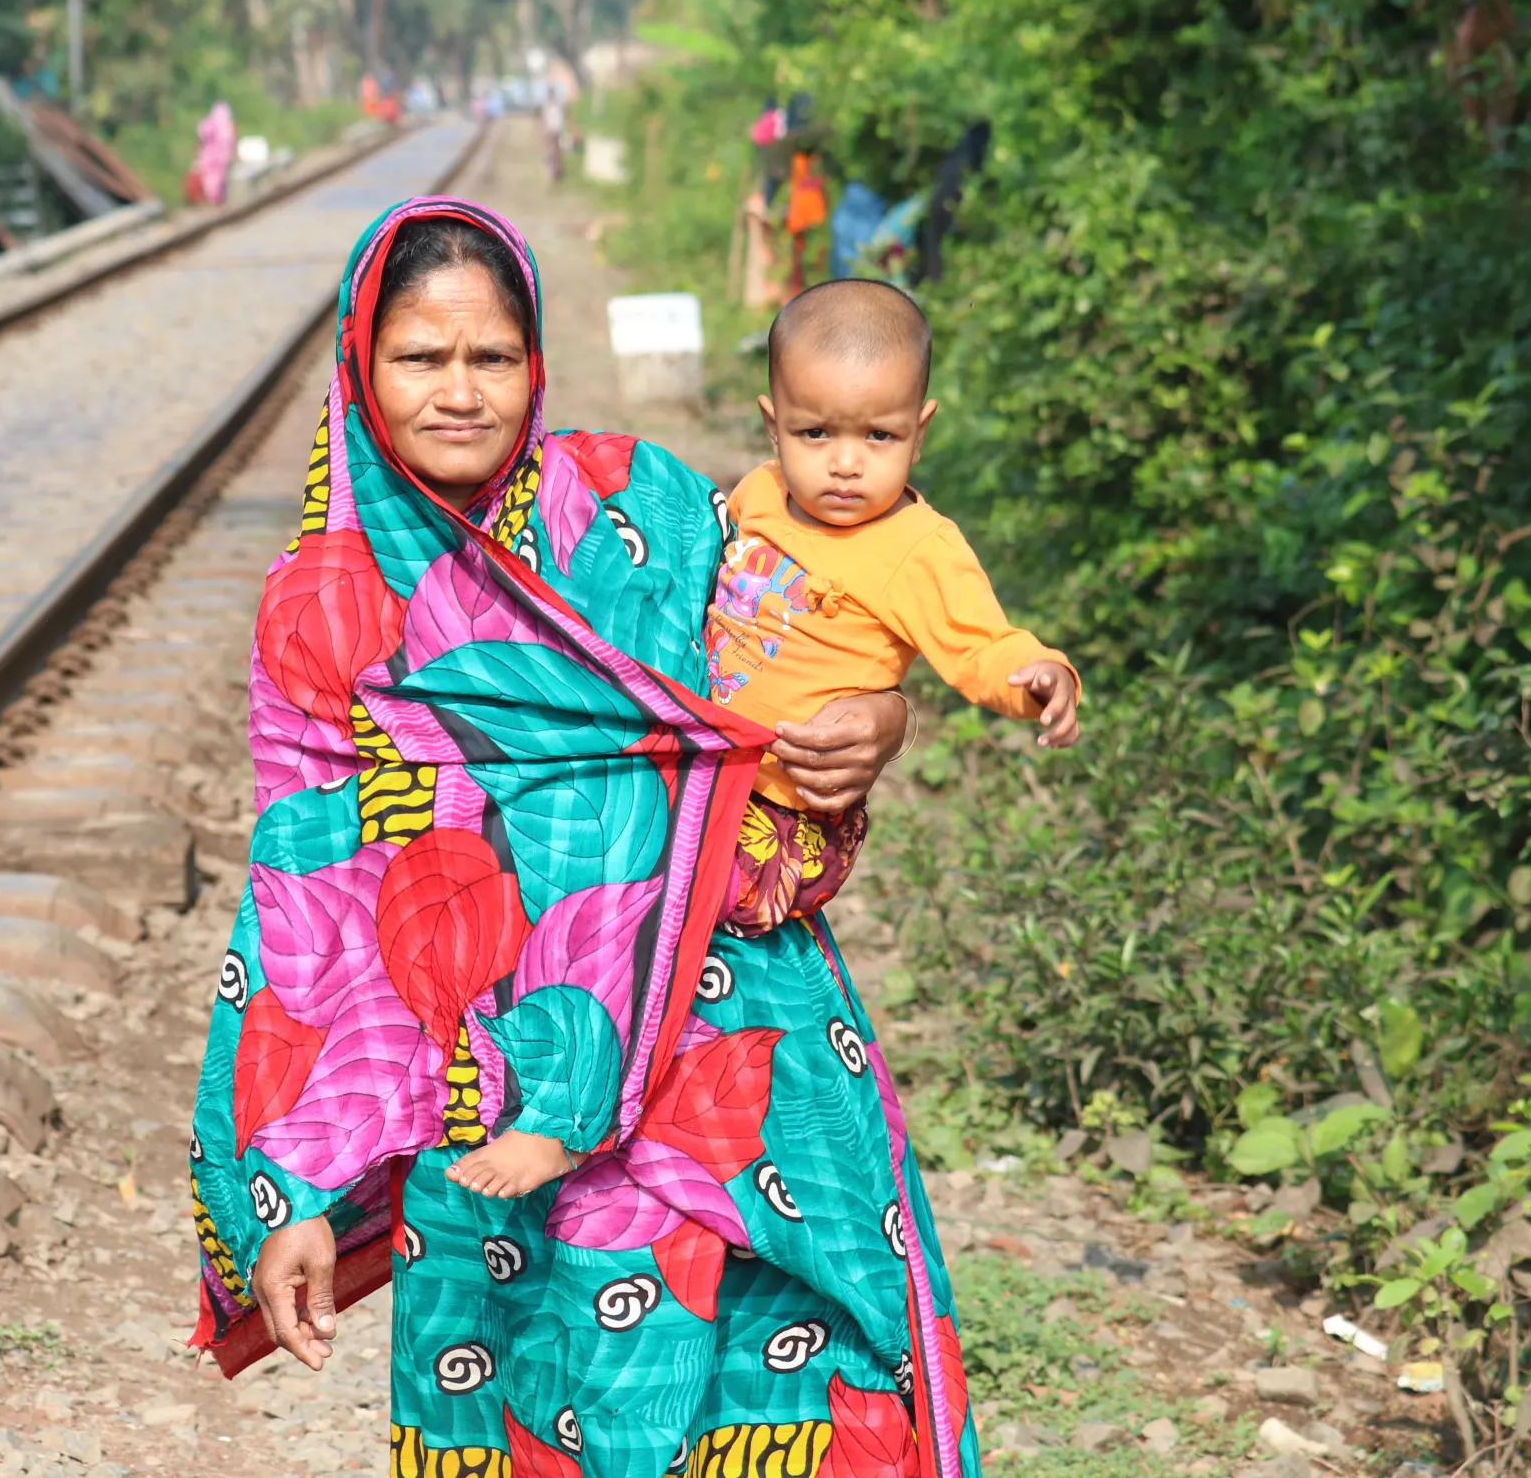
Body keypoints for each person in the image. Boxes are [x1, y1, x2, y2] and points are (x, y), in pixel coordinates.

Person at [189, 199, 983, 1478]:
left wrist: (878, 718)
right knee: (536, 1411)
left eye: (492, 357)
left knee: (786, 1395)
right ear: (358, 364)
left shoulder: (645, 512)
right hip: (487, 1112)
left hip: (717, 1061)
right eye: (420, 358)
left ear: (537, 361)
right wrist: (292, 1188)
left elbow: (802, 659)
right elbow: (312, 905)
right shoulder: (321, 610)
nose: (460, 392)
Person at [709, 279, 1081, 934]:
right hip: (711, 767)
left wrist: (1042, 675)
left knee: (693, 896)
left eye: (879, 435)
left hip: (792, 806)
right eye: (815, 432)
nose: (846, 463)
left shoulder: (917, 547)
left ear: (920, 433)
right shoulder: (758, 494)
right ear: (774, 427)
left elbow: (984, 644)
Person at [186, 101, 236, 207]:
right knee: (219, 179)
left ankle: (213, 200)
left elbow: (201, 139)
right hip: (221, 157)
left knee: (210, 179)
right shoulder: (227, 126)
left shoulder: (208, 124)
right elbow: (230, 141)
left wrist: (198, 156)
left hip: (208, 156)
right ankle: (217, 200)